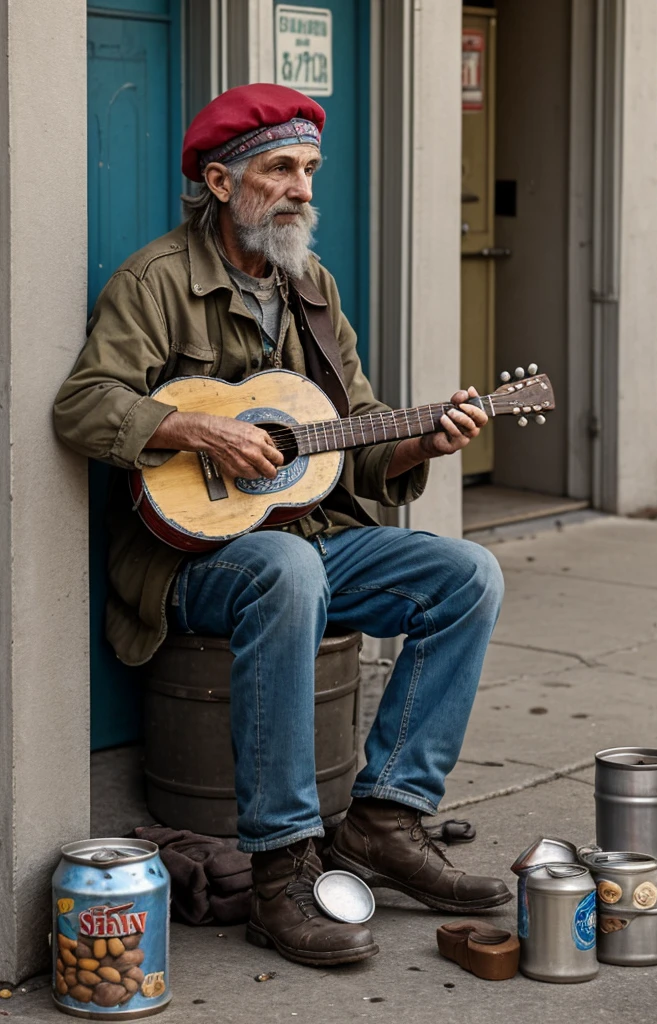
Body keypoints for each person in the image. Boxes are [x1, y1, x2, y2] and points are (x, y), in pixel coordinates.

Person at [54, 83, 510, 968]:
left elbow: (361, 437)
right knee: (287, 574)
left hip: (308, 539)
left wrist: (422, 443)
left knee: (467, 576)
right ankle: (282, 867)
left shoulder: (313, 286)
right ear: (220, 183)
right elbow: (83, 405)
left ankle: (385, 818)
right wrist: (194, 427)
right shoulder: (156, 282)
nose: (302, 188)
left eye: (309, 169)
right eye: (279, 169)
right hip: (188, 563)